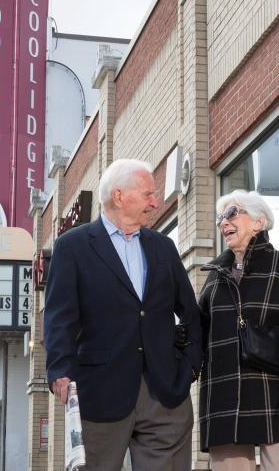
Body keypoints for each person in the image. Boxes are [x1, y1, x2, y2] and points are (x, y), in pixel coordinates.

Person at [44, 158, 202, 471]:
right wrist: (60, 369)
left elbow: (190, 313)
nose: (155, 202)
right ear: (119, 196)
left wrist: (190, 368)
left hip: (165, 394)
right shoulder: (72, 247)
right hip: (100, 393)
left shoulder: (163, 247)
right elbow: (60, 318)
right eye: (148, 194)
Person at [198, 190, 279, 471]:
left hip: (274, 390)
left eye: (232, 213)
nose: (223, 223)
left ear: (258, 222)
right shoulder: (214, 275)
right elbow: (198, 329)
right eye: (220, 217)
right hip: (222, 391)